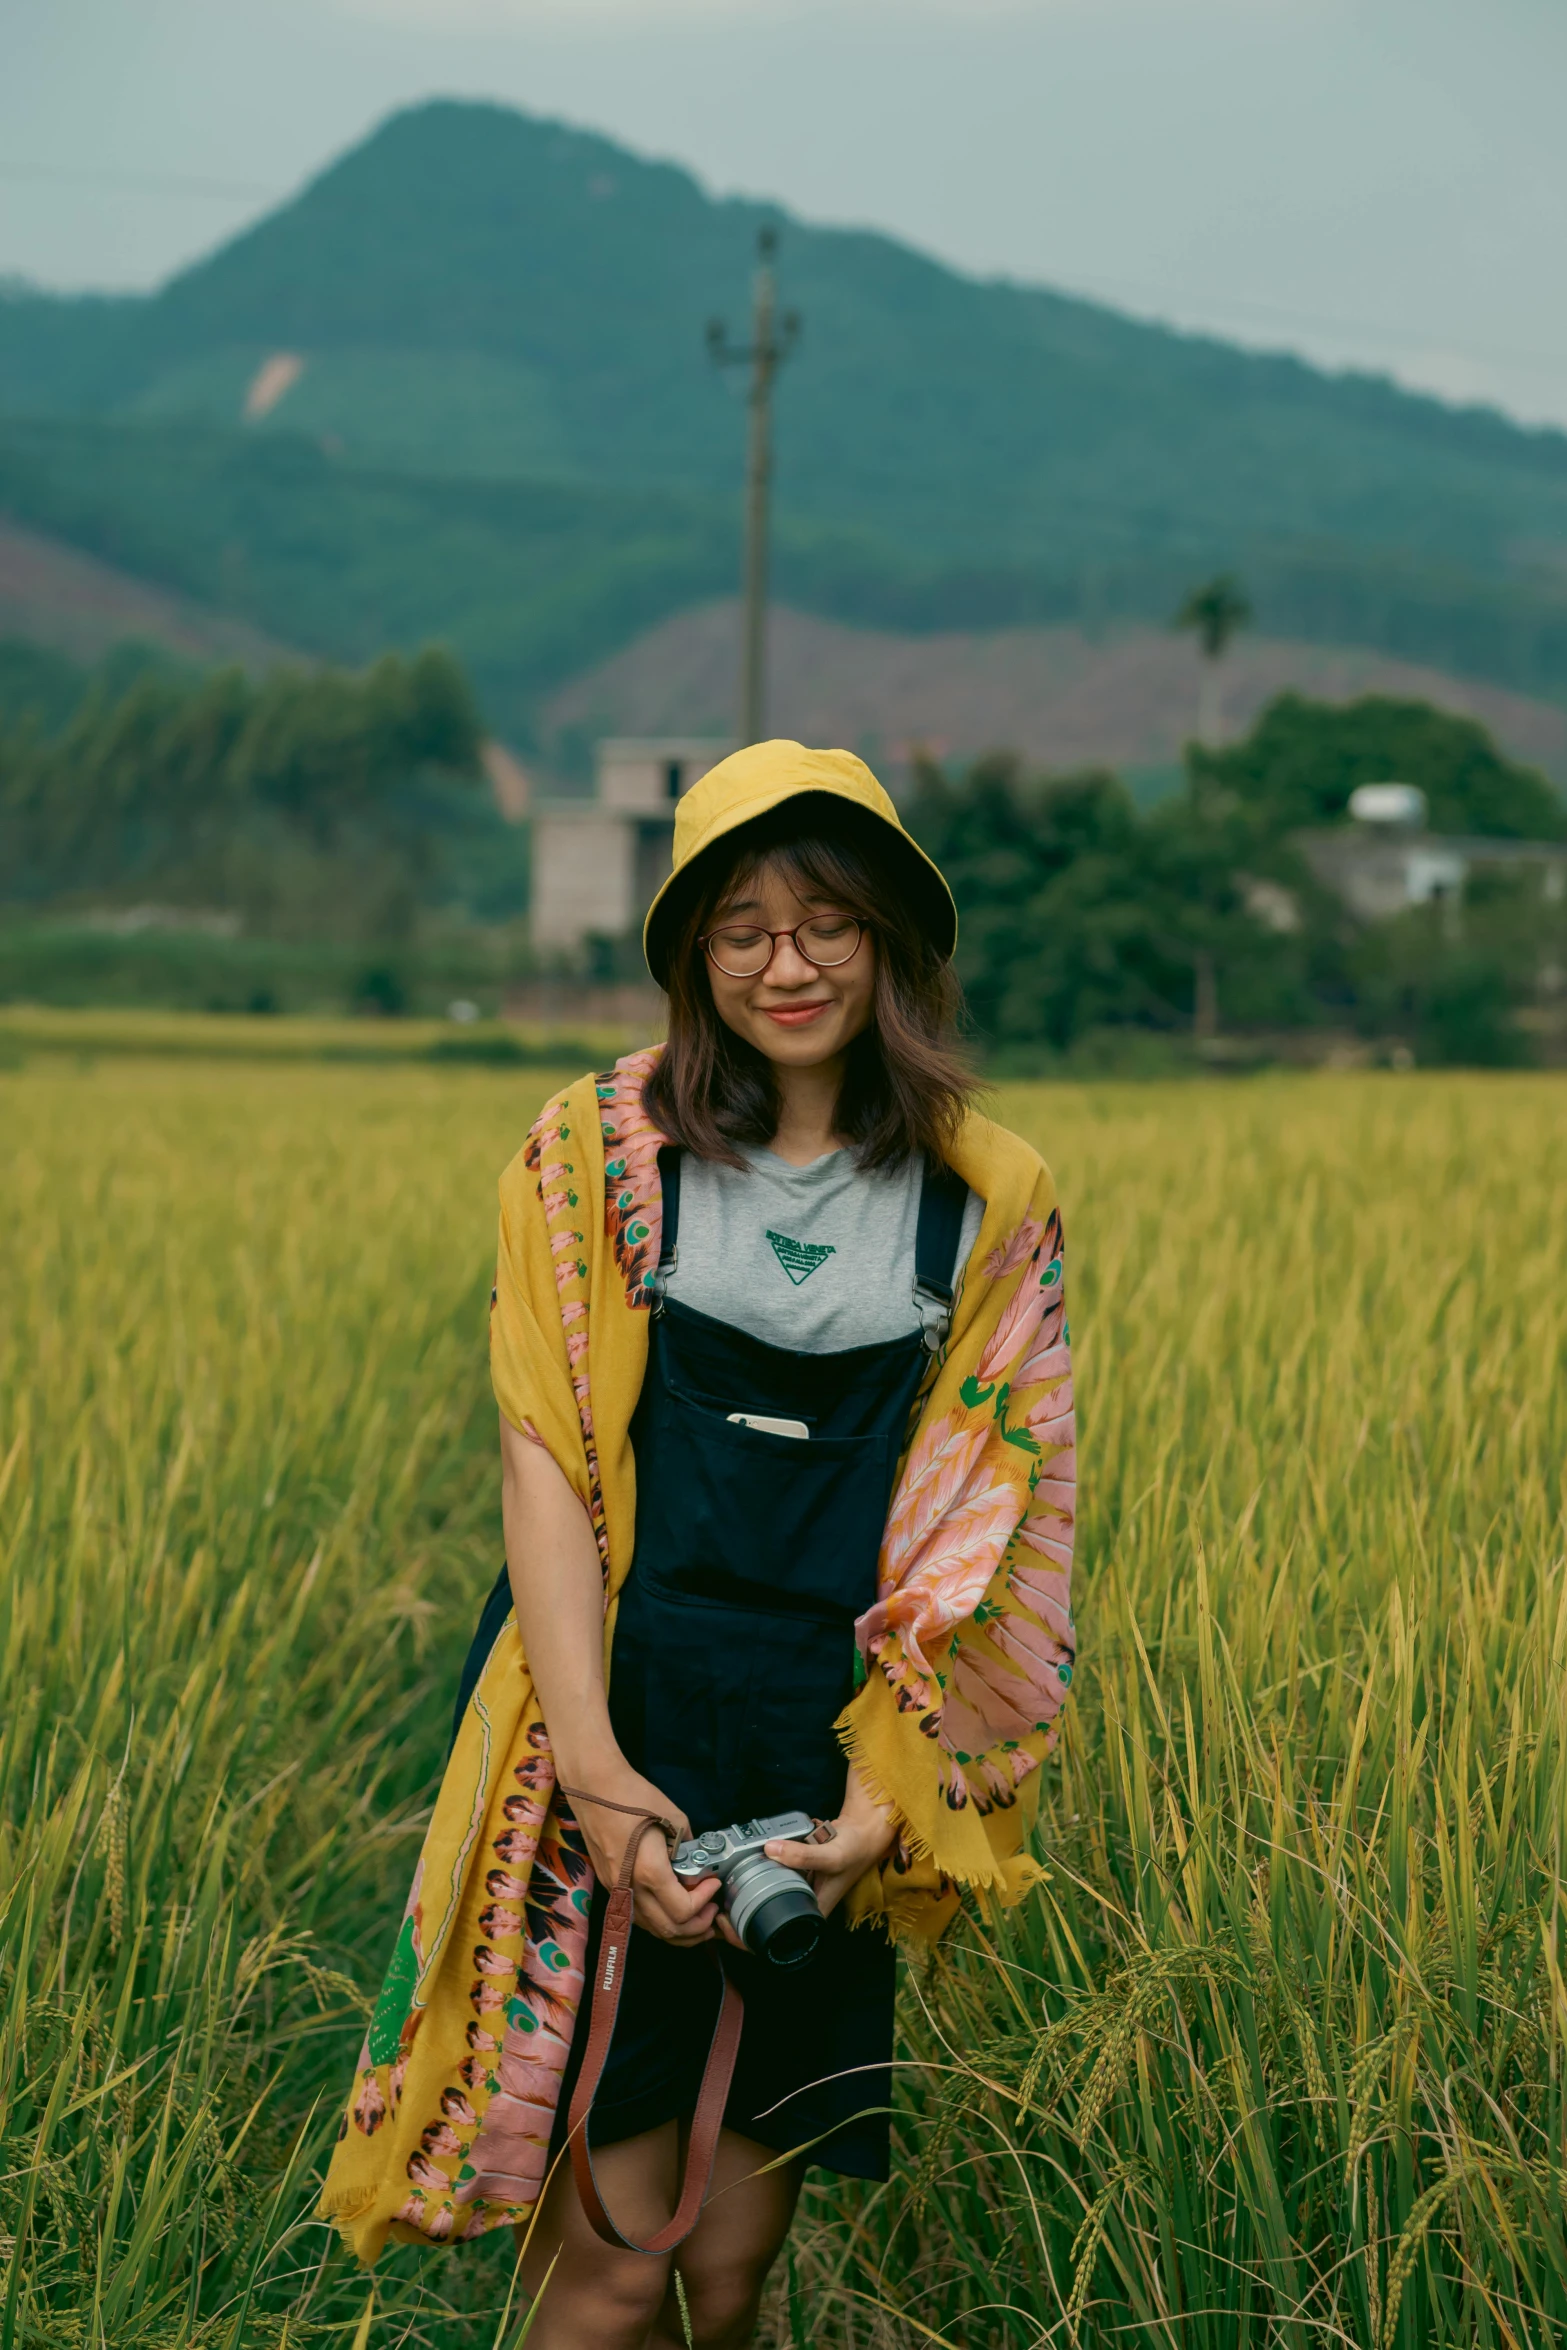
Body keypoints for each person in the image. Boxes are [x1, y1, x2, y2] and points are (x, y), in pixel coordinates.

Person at [320, 744, 1079, 2350]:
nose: (785, 963)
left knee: (727, 2268)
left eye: (824, 923)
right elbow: (542, 1459)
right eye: (741, 928)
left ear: (886, 942)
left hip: (828, 1741)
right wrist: (597, 1783)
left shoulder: (982, 1193)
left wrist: (887, 1800)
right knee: (605, 2269)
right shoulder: (596, 1155)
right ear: (688, 955)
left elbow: (993, 1518)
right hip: (612, 1707)